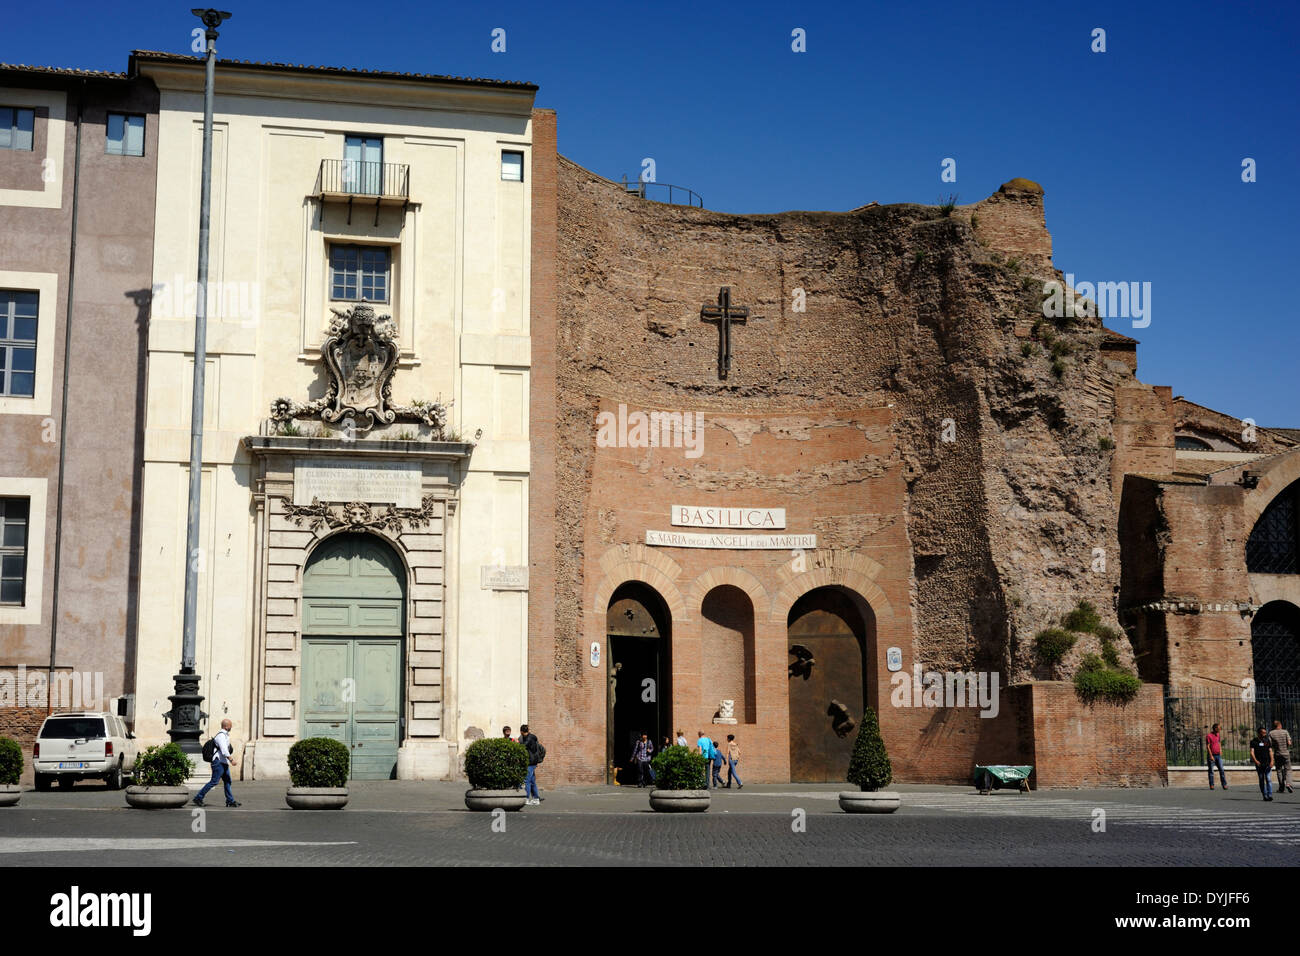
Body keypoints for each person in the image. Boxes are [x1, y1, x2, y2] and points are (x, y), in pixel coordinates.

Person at [194, 718, 240, 808]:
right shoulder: (221, 736)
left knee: (227, 781)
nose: (231, 727)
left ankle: (230, 801)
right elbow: (224, 750)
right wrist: (231, 760)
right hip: (218, 762)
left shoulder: (226, 735)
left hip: (223, 762)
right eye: (230, 725)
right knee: (214, 781)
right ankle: (198, 798)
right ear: (226, 726)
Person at [520, 724, 543, 805]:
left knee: (527, 781)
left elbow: (523, 746)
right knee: (532, 781)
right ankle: (536, 799)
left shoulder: (529, 738)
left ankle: (526, 798)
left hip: (530, 762)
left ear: (521, 731)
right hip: (533, 761)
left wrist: (517, 744)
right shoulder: (532, 737)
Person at [1249, 726, 1274, 801]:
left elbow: (1270, 751)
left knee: (1268, 779)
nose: (1265, 734)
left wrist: (1272, 760)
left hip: (1267, 763)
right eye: (1263, 733)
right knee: (1261, 779)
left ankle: (1270, 794)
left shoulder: (1267, 741)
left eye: (1265, 732)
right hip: (1259, 763)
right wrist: (1256, 761)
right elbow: (1252, 752)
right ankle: (1264, 795)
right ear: (1259, 733)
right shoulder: (1254, 741)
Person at [1269, 720, 1293, 794]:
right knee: (1288, 769)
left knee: (1279, 770)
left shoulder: (1271, 733)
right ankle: (1288, 784)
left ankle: (1281, 787)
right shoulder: (1285, 732)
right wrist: (1288, 744)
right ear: (1280, 725)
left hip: (1277, 754)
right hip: (1285, 753)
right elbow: (1289, 743)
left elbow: (1269, 744)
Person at [1206, 722, 1228, 790]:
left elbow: (1219, 742)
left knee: (1221, 770)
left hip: (1218, 755)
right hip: (1212, 756)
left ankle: (1224, 784)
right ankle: (1211, 785)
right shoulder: (1208, 736)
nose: (1220, 729)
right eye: (1219, 728)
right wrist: (1211, 756)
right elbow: (1208, 746)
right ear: (1215, 728)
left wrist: (1220, 749)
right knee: (1211, 771)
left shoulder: (1218, 735)